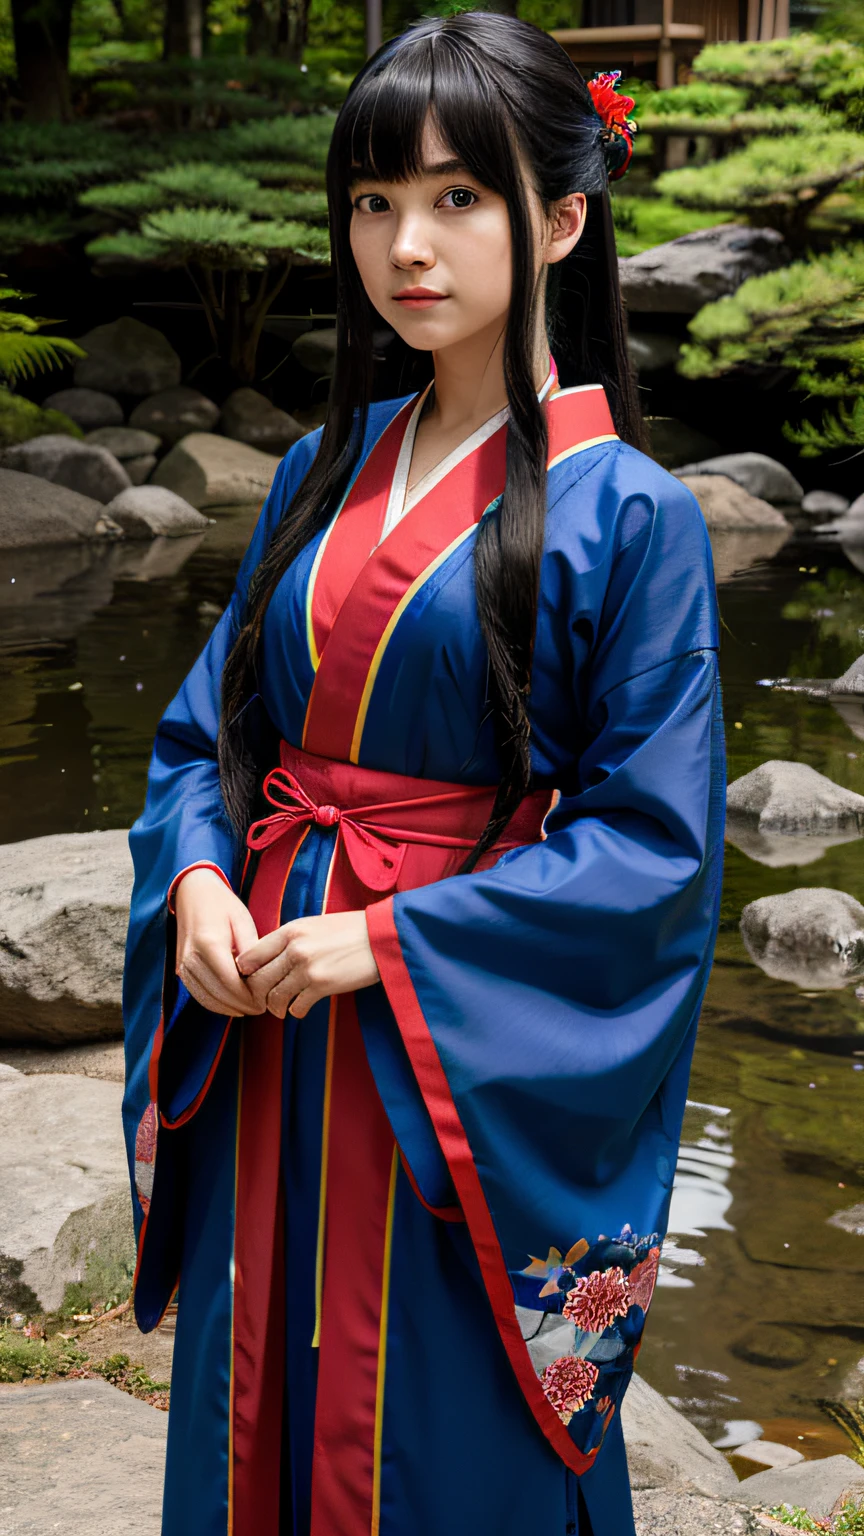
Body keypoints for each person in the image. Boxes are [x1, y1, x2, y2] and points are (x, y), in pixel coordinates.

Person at [122, 13, 725, 1536]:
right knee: (260, 1369)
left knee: (428, 1418)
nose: (408, 243)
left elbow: (654, 855)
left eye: (460, 197)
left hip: (435, 1046)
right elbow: (214, 733)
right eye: (376, 200)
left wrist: (386, 942)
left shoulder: (630, 515)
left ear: (564, 217)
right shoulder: (330, 466)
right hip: (268, 1002)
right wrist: (198, 875)